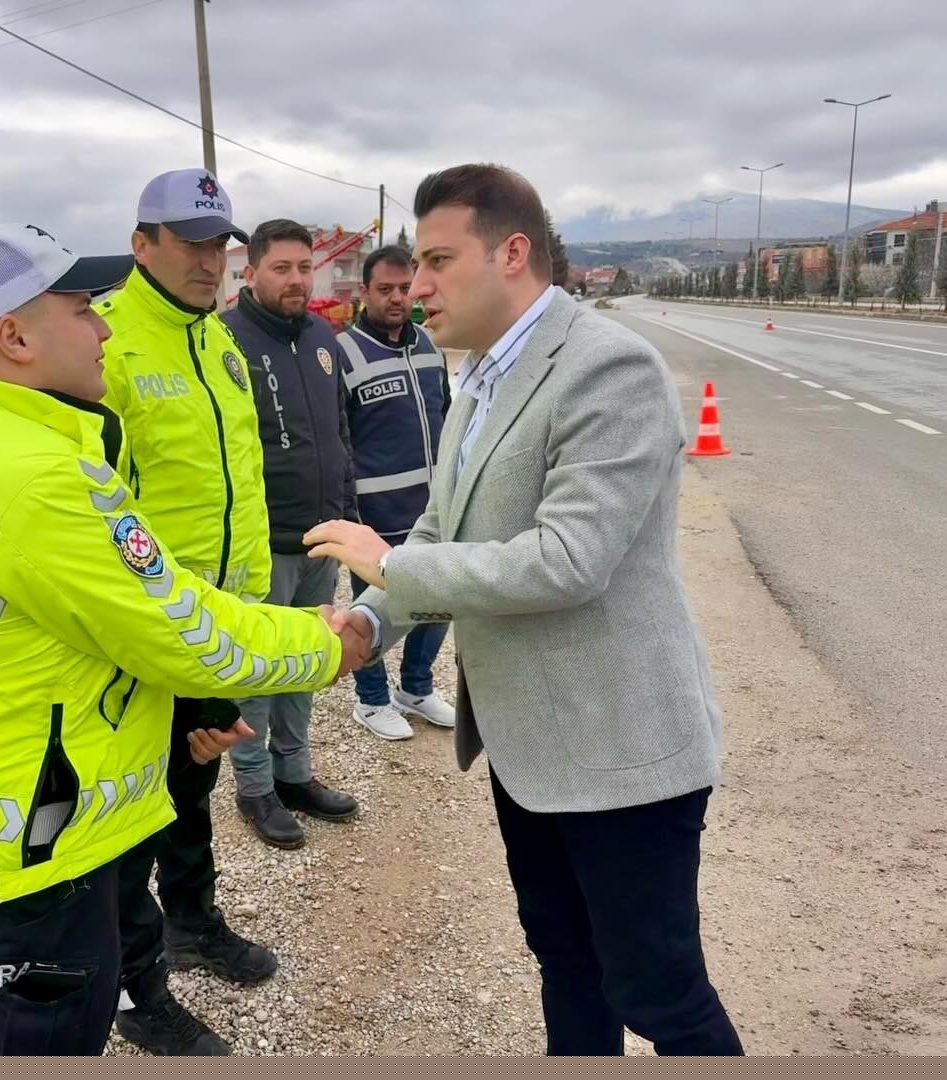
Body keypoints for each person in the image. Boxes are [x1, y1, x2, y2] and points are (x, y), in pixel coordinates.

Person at [0, 223, 369, 1057]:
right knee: (52, 1035)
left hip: (0, 827)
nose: (103, 329)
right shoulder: (36, 475)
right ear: (14, 336)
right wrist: (323, 642)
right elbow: (180, 631)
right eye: (81, 311)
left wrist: (192, 701)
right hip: (16, 867)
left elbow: (113, 619)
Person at [305, 163, 744, 1057]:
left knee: (658, 992)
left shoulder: (608, 367)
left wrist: (387, 562)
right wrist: (373, 621)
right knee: (565, 965)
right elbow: (440, 528)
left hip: (621, 752)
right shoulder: (478, 377)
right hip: (527, 747)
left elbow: (568, 561)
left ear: (512, 252)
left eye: (437, 259)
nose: (414, 284)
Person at [94, 169, 282, 1055]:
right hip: (140, 639)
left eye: (220, 244)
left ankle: (194, 922)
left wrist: (243, 622)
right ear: (143, 244)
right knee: (133, 818)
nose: (212, 261)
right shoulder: (106, 342)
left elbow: (238, 487)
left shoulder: (219, 344)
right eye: (192, 242)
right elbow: (97, 516)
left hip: (216, 627)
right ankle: (137, 992)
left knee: (193, 788)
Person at [218, 218, 361, 850]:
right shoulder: (227, 341)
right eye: (282, 268)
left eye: (305, 267)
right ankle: (254, 789)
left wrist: (347, 515)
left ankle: (294, 773)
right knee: (255, 672)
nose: (297, 279)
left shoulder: (325, 337)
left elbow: (338, 436)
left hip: (320, 541)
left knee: (305, 666)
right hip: (262, 545)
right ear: (250, 273)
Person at [335, 243, 455, 741]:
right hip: (375, 519)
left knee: (437, 603)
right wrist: (349, 515)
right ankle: (372, 700)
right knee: (374, 612)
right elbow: (338, 439)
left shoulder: (429, 344)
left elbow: (447, 418)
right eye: (385, 290)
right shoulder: (342, 354)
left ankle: (416, 688)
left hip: (432, 512)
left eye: (405, 289)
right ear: (365, 292)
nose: (397, 299)